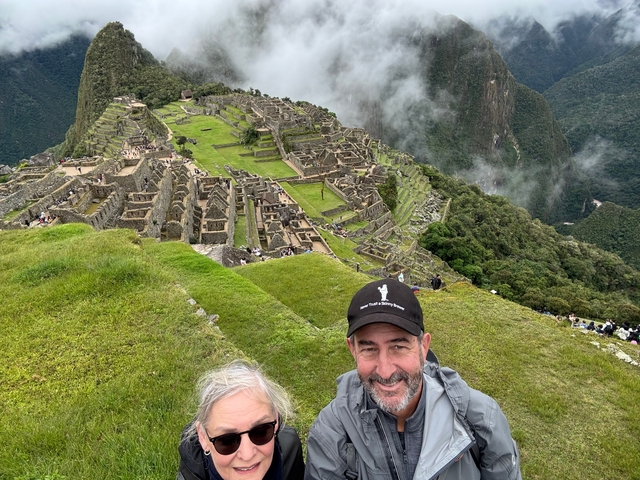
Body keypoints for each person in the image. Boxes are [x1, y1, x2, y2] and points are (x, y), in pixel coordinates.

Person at [305, 279, 522, 480]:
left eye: (398, 347)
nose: (385, 371)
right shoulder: (330, 433)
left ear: (424, 347)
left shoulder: (483, 419)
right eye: (369, 348)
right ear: (352, 349)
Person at [177, 360, 304, 480]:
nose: (247, 455)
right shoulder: (192, 474)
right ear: (203, 437)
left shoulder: (289, 449)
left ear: (275, 419)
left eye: (261, 432)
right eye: (227, 440)